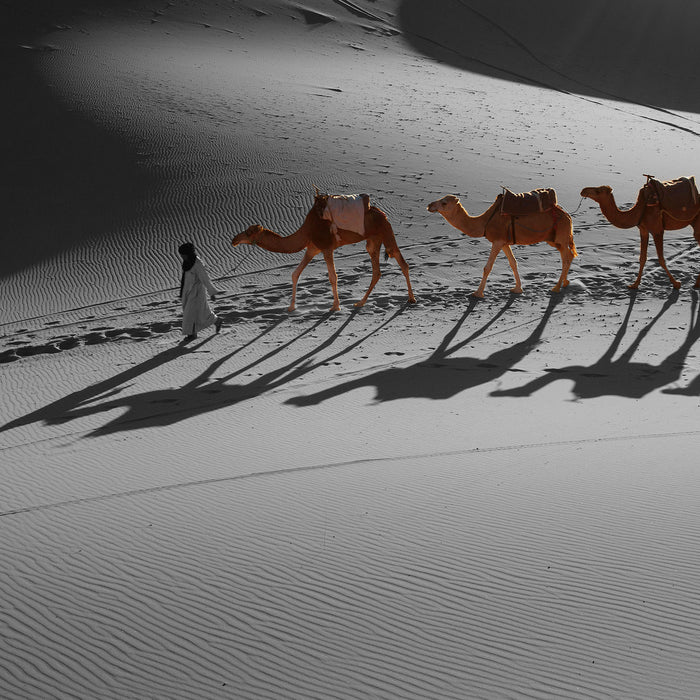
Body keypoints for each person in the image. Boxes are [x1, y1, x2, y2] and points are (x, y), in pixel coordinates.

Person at [178, 242, 223, 340]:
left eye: (183, 255)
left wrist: (212, 293)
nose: (182, 257)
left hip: (197, 292)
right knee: (200, 312)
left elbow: (205, 278)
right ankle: (217, 320)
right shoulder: (187, 262)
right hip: (188, 291)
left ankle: (192, 334)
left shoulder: (197, 264)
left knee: (190, 313)